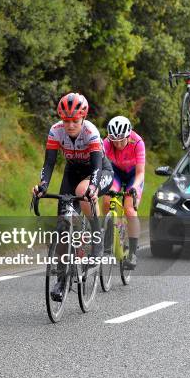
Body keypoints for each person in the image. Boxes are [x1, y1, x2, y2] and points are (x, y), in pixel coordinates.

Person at [32, 92, 113, 302]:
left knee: (82, 193)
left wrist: (94, 188)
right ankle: (61, 279)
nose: (70, 125)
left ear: (83, 118)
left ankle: (97, 240)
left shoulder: (91, 132)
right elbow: (49, 163)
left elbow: (96, 166)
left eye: (74, 121)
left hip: (99, 172)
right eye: (66, 121)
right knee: (64, 223)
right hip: (73, 171)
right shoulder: (55, 131)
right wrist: (43, 186)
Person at [102, 116, 145, 270]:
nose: (118, 144)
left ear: (128, 135)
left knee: (129, 210)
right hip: (116, 173)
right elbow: (101, 167)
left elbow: (140, 173)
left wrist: (134, 187)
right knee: (107, 199)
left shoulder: (138, 142)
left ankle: (133, 253)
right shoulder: (106, 143)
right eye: (115, 140)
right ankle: (108, 237)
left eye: (122, 140)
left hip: (134, 175)